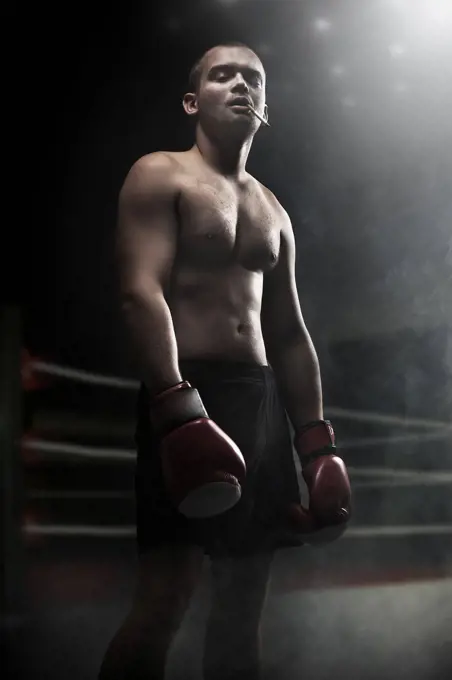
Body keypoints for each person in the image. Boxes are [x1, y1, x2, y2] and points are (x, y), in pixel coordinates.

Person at [98, 42, 351, 680]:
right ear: (193, 100)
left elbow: (290, 333)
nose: (240, 84)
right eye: (222, 75)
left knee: (243, 606)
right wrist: (175, 405)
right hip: (186, 394)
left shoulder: (275, 211)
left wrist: (315, 443)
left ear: (265, 105)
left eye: (253, 78)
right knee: (165, 599)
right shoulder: (160, 175)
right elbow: (140, 291)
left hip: (258, 402)